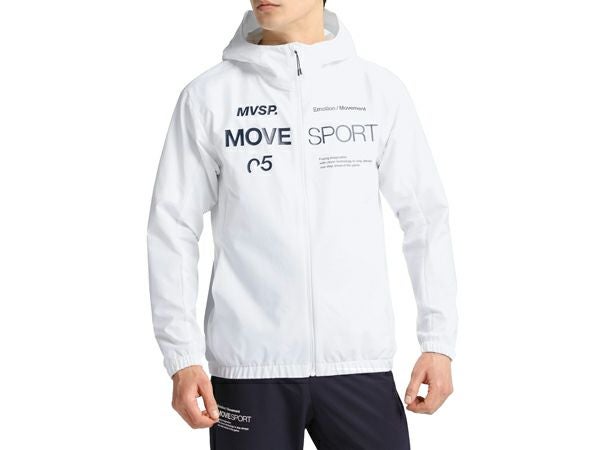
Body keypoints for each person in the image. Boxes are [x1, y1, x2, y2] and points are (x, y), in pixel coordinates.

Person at [147, 0, 458, 448]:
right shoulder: (209, 97)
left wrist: (438, 342)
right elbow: (173, 226)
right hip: (249, 369)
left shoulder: (377, 91)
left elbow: (425, 217)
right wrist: (181, 356)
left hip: (358, 364)